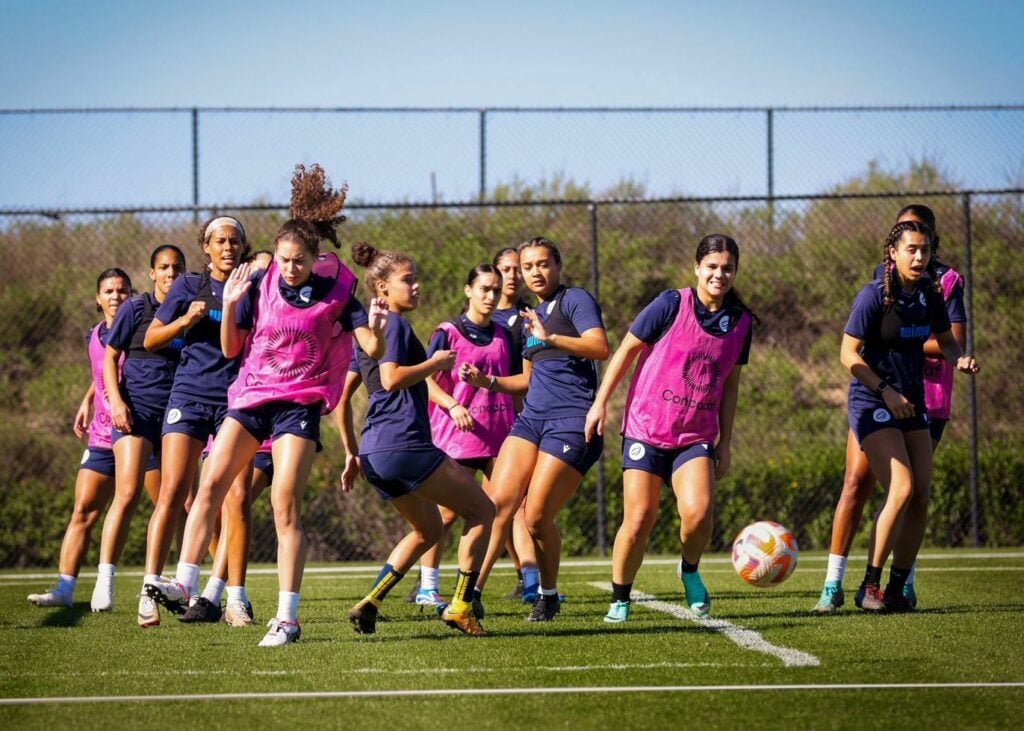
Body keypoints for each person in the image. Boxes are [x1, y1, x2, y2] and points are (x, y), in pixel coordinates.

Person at [168, 164, 388, 646]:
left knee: (283, 505)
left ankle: (287, 619)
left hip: (298, 407)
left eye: (299, 261)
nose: (290, 267)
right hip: (250, 400)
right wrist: (228, 304)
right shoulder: (258, 283)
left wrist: (377, 323)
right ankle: (185, 581)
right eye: (284, 259)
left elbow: (370, 348)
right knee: (211, 484)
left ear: (314, 258)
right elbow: (230, 349)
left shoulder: (336, 291)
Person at [585, 234, 753, 622]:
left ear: (735, 272)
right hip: (646, 428)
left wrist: (726, 442)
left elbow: (731, 385)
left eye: (727, 267)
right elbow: (626, 350)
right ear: (697, 268)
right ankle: (621, 598)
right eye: (711, 266)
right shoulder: (670, 304)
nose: (719, 274)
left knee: (699, 513)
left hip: (695, 436)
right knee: (640, 518)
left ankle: (689, 570)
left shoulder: (742, 323)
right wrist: (601, 403)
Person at [813, 205, 968, 613]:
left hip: (911, 401)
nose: (920, 257)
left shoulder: (931, 294)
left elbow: (948, 341)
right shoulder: (873, 295)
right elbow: (848, 355)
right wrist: (884, 391)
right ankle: (868, 585)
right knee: (898, 488)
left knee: (920, 496)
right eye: (912, 250)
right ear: (893, 252)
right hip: (873, 402)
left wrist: (959, 358)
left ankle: (898, 588)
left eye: (926, 250)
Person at [339, 242, 495, 637]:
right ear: (382, 289)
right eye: (407, 280)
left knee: (427, 530)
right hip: (402, 444)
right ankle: (460, 605)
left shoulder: (370, 331)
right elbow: (391, 379)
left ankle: (369, 603)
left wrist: (351, 452)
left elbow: (343, 398)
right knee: (483, 511)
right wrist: (436, 363)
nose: (416, 285)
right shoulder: (394, 323)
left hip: (375, 451)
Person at [469, 237, 609, 622]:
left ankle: (548, 595)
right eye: (528, 266)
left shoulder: (574, 300)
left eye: (543, 264)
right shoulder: (532, 314)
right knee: (495, 505)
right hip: (531, 419)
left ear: (558, 266)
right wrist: (490, 383)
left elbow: (600, 347)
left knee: (535, 518)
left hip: (571, 422)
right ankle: (471, 595)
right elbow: (529, 379)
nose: (535, 272)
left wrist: (553, 337)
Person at [138, 215, 249, 627]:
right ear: (206, 246)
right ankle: (150, 590)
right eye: (219, 240)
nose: (227, 247)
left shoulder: (248, 288)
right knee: (172, 493)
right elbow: (151, 338)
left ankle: (234, 598)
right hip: (189, 396)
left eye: (234, 241)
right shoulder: (187, 287)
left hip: (234, 403)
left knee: (234, 498)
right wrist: (186, 321)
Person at [407, 264, 516, 609]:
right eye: (484, 288)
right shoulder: (448, 332)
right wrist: (453, 405)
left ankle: (484, 586)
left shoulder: (504, 335)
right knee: (447, 514)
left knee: (507, 508)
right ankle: (428, 585)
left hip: (499, 435)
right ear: (468, 290)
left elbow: (513, 383)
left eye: (495, 290)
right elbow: (424, 379)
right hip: (456, 436)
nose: (490, 296)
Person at [28, 269, 132, 608]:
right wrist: (88, 400)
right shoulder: (93, 334)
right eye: (109, 291)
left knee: (181, 507)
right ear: (98, 299)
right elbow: (103, 370)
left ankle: (207, 588)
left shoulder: (143, 333)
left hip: (139, 434)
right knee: (83, 510)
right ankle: (64, 589)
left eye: (122, 290)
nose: (116, 296)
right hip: (102, 435)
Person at [91, 246, 186, 613]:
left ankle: (180, 585)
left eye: (177, 267)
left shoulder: (190, 310)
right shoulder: (135, 308)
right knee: (127, 492)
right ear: (152, 273)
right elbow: (110, 358)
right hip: (136, 413)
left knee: (181, 502)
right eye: (164, 267)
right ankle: (105, 580)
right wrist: (116, 402)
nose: (170, 273)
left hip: (177, 416)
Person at [489, 246, 539, 600]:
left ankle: (529, 578)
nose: (511, 275)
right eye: (504, 269)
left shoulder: (528, 318)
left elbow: (529, 376)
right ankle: (426, 579)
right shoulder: (478, 317)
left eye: (515, 269)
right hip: (479, 421)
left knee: (514, 504)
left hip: (515, 418)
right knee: (492, 504)